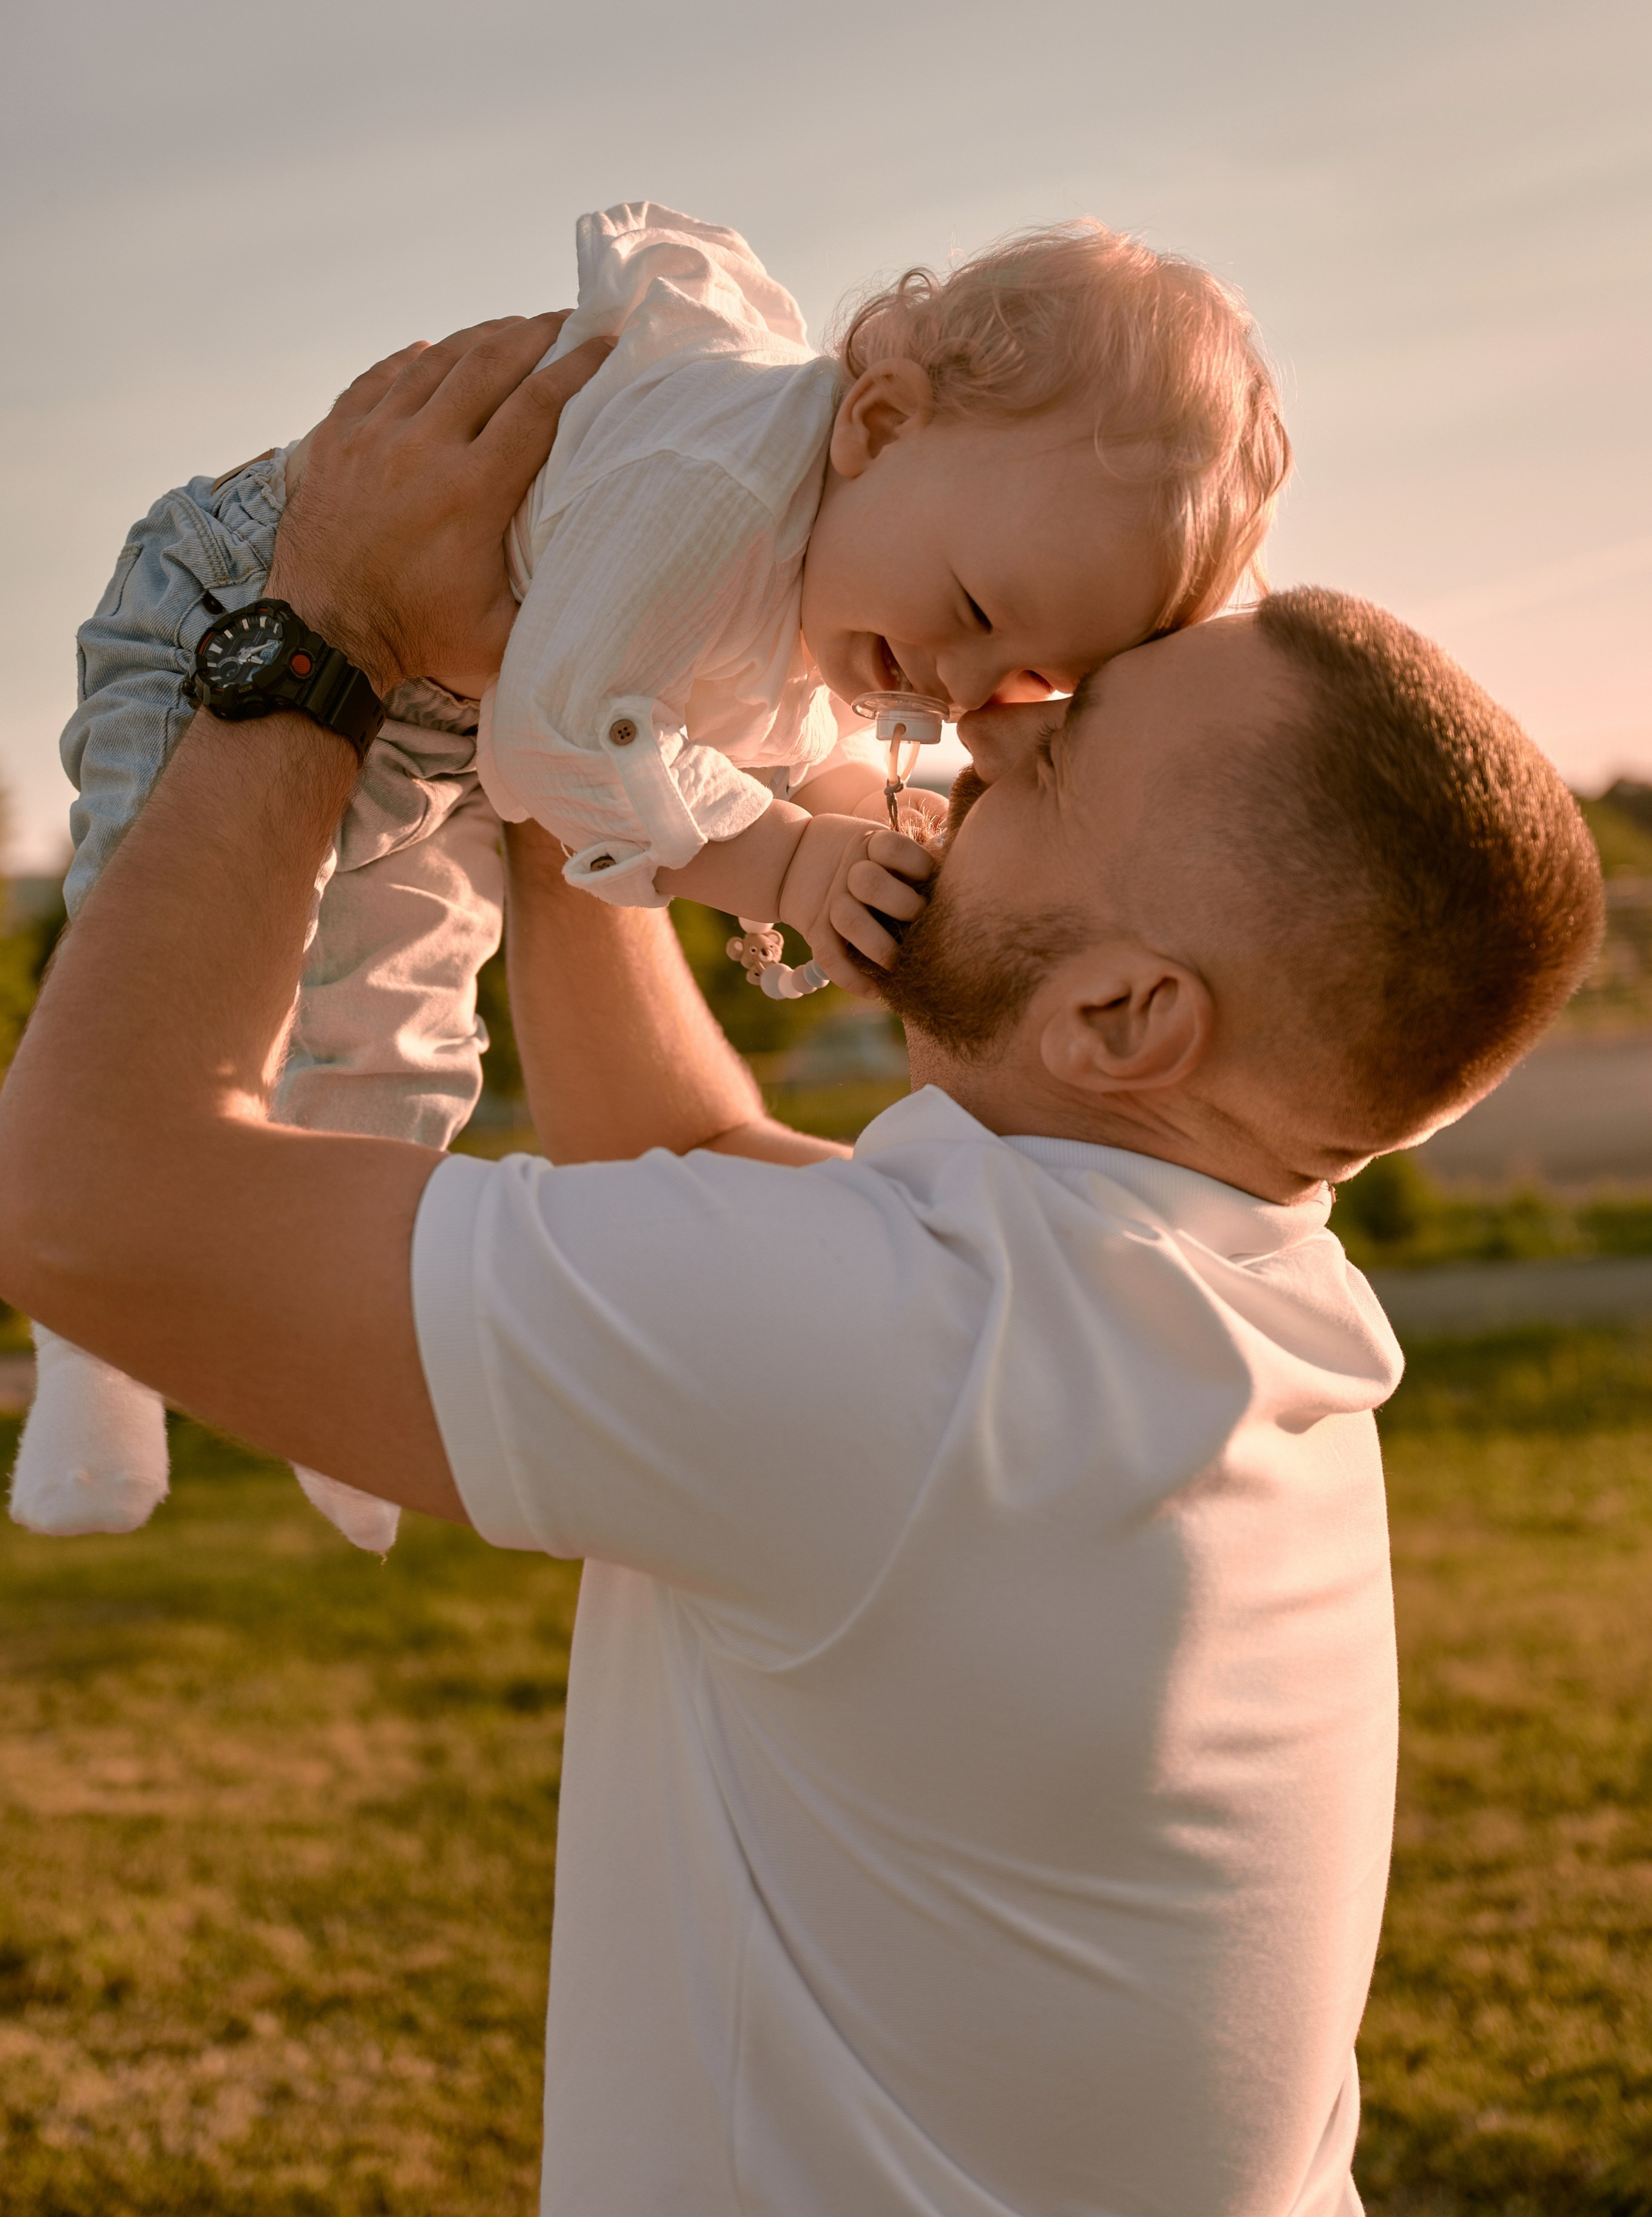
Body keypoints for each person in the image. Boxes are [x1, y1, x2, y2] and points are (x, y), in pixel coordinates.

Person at [0, 317, 1602, 2216]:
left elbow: (86, 1203)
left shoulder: (914, 1362)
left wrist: (325, 628)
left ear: (1122, 1015)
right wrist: (580, 703)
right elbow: (679, 1160)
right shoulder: (1207, 1300)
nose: (990, 724)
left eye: (1062, 757)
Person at [15, 202, 1289, 1550]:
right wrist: (792, 864)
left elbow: (765, 761)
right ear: (876, 423)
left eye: (1025, 674)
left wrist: (861, 841)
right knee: (165, 987)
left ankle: (331, 1384)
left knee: (407, 1022)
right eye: (976, 613)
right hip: (232, 601)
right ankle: (93, 1360)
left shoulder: (862, 569)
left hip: (436, 701)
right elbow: (559, 733)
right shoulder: (716, 480)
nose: (959, 687)